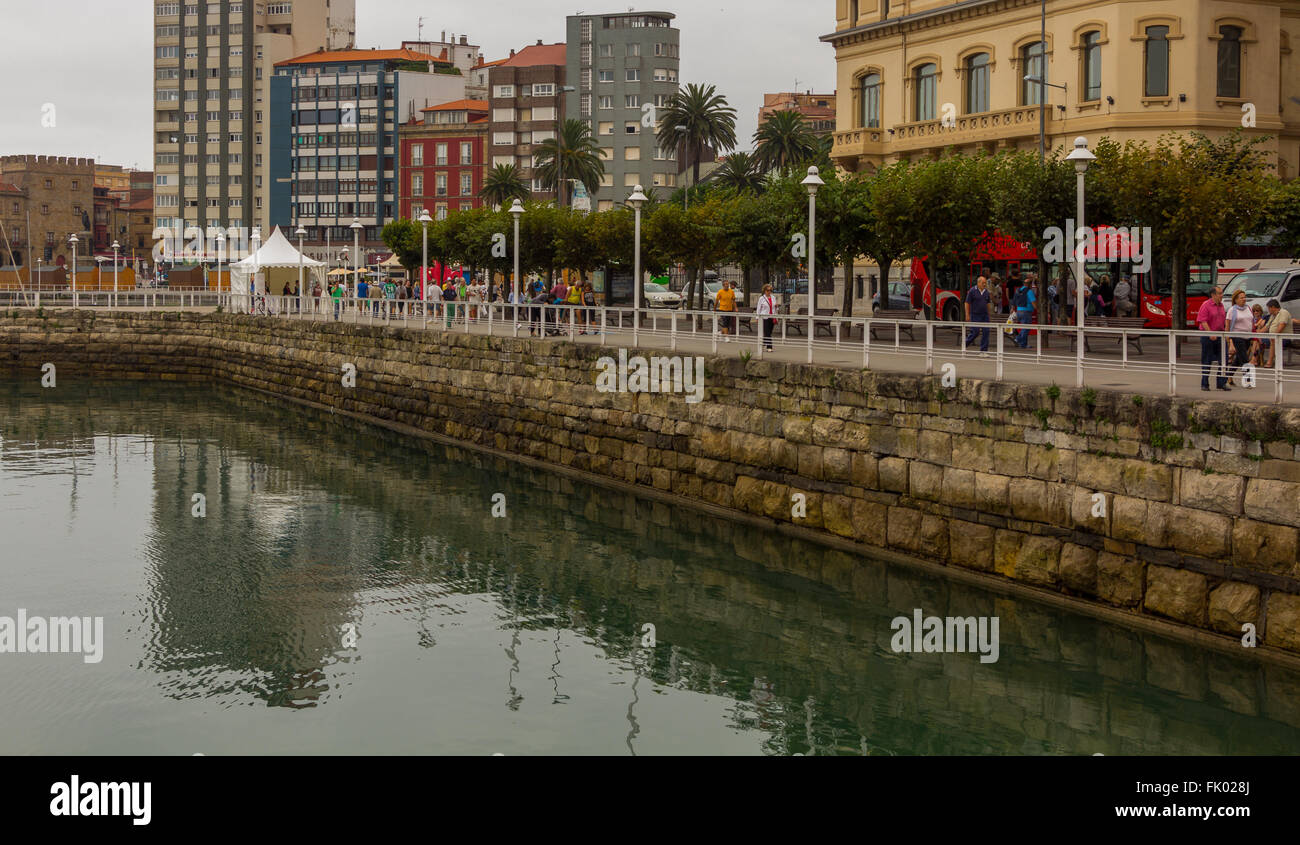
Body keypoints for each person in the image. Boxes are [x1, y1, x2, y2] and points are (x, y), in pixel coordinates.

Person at [1196, 285, 1229, 391]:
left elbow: (1222, 320)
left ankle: (1221, 382)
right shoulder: (1206, 305)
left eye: (1222, 293)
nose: (1221, 295)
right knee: (1207, 359)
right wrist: (1210, 333)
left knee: (1224, 359)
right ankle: (1204, 384)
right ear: (1213, 295)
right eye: (1219, 293)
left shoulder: (1221, 305)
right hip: (1208, 335)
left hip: (1220, 334)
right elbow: (1202, 320)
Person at [1224, 289, 1254, 386]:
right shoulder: (1232, 310)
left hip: (1248, 337)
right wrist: (1229, 340)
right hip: (1237, 337)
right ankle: (1248, 380)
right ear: (1236, 299)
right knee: (1245, 359)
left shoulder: (1248, 308)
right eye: (1241, 298)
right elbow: (1228, 325)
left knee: (1238, 359)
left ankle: (1229, 376)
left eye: (1244, 297)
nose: (1244, 299)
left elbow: (1251, 321)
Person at [1263, 298, 1295, 368]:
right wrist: (1257, 334)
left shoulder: (1283, 313)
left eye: (1269, 308)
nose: (1268, 310)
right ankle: (1255, 359)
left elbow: (1281, 326)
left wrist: (1274, 336)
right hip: (1273, 337)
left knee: (1273, 340)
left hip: (1284, 338)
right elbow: (1266, 327)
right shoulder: (1273, 315)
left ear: (1273, 307)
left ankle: (1270, 362)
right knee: (1256, 340)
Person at [964, 274, 992, 352]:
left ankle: (983, 350)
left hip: (985, 315)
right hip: (975, 315)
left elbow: (988, 303)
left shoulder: (986, 292)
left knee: (986, 332)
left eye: (985, 283)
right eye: (983, 283)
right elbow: (967, 303)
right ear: (978, 283)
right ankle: (965, 344)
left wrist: (989, 314)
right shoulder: (972, 291)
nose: (984, 284)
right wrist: (967, 314)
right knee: (975, 332)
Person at [1012, 278, 1036, 348]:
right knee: (1026, 328)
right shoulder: (1029, 291)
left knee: (1024, 327)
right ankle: (1018, 338)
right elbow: (1033, 302)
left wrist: (1013, 308)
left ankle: (1023, 344)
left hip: (1018, 311)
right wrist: (1037, 309)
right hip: (1026, 312)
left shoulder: (1018, 290)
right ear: (1029, 284)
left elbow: (1014, 301)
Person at [756, 283, 778, 350]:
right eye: (767, 290)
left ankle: (764, 342)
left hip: (772, 316)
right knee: (767, 332)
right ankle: (769, 347)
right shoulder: (761, 298)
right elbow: (758, 308)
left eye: (770, 290)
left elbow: (775, 308)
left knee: (769, 331)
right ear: (764, 291)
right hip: (764, 317)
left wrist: (777, 307)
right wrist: (757, 318)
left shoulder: (773, 297)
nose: (769, 292)